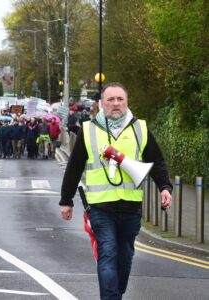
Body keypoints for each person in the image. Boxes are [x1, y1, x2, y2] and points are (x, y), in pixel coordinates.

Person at [59, 82, 172, 300]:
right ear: (102, 104)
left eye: (120, 99)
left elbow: (157, 161)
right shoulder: (88, 130)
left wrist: (165, 187)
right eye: (110, 99)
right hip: (100, 207)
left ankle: (115, 293)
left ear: (127, 101)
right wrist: (66, 200)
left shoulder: (140, 128)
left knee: (125, 258)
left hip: (131, 207)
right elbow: (74, 167)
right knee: (108, 255)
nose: (116, 103)